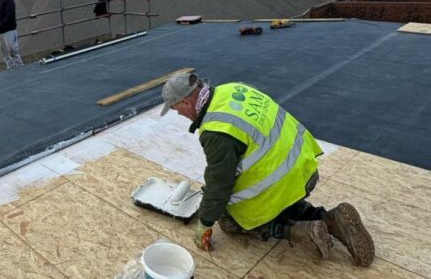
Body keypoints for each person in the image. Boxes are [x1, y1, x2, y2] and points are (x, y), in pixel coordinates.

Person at [159, 71, 375, 266]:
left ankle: (302, 232)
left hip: (280, 182)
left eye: (176, 109)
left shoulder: (216, 131)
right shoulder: (234, 89)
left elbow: (220, 184)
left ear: (186, 102)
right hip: (304, 169)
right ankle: (329, 219)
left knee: (229, 220)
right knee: (274, 199)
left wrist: (205, 224)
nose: (178, 114)